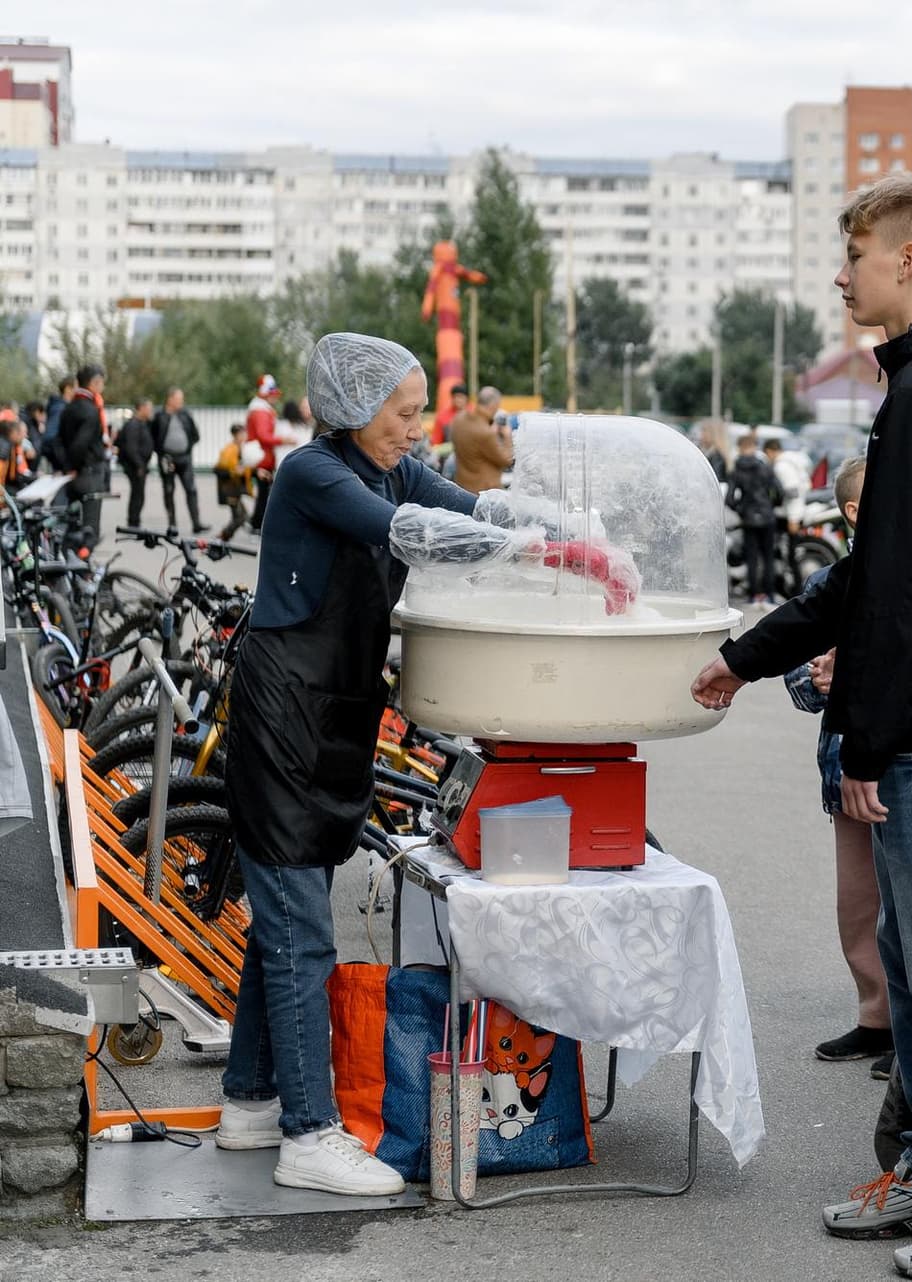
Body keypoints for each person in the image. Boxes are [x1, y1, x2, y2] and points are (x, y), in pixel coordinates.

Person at [691, 175, 912, 1279]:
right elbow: (871, 575)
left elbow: (908, 593)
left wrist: (860, 737)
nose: (840, 278)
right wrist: (749, 656)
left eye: (851, 257)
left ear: (907, 260)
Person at [214, 331, 628, 1197]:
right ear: (356, 408)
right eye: (404, 413)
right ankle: (308, 1133)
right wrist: (538, 555)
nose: (416, 428)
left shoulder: (393, 466)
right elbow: (414, 534)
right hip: (282, 716)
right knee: (301, 931)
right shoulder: (314, 473)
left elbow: (474, 508)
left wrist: (569, 533)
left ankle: (251, 1100)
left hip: (332, 716)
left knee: (281, 920)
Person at [784, 458, 893, 1075]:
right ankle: (875, 1019)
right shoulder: (829, 582)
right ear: (854, 512)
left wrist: (854, 674)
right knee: (858, 902)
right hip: (843, 769)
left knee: (911, 907)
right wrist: (825, 680)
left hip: (904, 769)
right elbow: (797, 680)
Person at [57, 365, 111, 548]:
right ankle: (84, 572)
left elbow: (59, 441)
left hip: (73, 476)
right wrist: (75, 465)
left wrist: (66, 467)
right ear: (94, 383)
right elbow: (81, 443)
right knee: (89, 529)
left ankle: (69, 568)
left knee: (73, 525)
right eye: (101, 382)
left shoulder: (69, 407)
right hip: (88, 472)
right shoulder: (90, 410)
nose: (102, 387)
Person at [728, 432, 783, 604]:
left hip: (749, 518)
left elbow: (729, 498)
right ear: (754, 448)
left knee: (751, 558)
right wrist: (771, 505)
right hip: (767, 516)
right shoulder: (764, 467)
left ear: (739, 448)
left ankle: (753, 594)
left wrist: (741, 510)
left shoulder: (736, 470)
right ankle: (770, 594)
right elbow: (779, 491)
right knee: (768, 557)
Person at [246, 374, 297, 534]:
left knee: (263, 493)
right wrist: (283, 440)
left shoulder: (260, 409)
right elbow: (263, 435)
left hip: (263, 457)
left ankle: (256, 523)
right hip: (263, 459)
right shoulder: (261, 411)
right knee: (264, 494)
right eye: (273, 394)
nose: (275, 398)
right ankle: (257, 525)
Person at [154, 387, 207, 534]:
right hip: (167, 459)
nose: (181, 402)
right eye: (179, 399)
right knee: (169, 491)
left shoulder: (185, 414)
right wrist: (162, 454)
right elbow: (154, 437)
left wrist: (186, 448)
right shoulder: (160, 416)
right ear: (170, 399)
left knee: (191, 490)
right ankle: (172, 524)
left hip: (184, 459)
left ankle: (196, 523)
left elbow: (195, 435)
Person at [451, 386, 512, 494]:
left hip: (462, 486)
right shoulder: (485, 433)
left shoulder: (458, 419)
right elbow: (506, 460)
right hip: (484, 491)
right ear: (493, 405)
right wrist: (507, 437)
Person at [115, 399, 157, 528]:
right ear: (141, 408)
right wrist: (139, 464)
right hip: (135, 466)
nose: (151, 412)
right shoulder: (133, 425)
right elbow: (130, 448)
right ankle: (133, 522)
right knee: (137, 494)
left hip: (140, 464)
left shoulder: (143, 423)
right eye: (149, 408)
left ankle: (135, 520)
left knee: (138, 493)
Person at [214, 423, 253, 541]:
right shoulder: (229, 450)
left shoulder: (242, 448)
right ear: (235, 435)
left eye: (244, 433)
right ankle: (223, 536)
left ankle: (225, 535)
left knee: (243, 516)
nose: (244, 436)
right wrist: (233, 471)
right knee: (240, 517)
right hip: (230, 489)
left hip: (237, 489)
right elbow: (218, 469)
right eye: (241, 434)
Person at [765, 436, 812, 534]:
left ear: (769, 451)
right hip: (801, 506)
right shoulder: (793, 459)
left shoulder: (781, 466)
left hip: (793, 512)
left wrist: (793, 518)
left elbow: (792, 492)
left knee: (792, 544)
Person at [1, 407, 32, 493]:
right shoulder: (5, 448)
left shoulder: (12, 447)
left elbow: (14, 475)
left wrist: (33, 478)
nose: (25, 436)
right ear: (13, 432)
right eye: (22, 433)